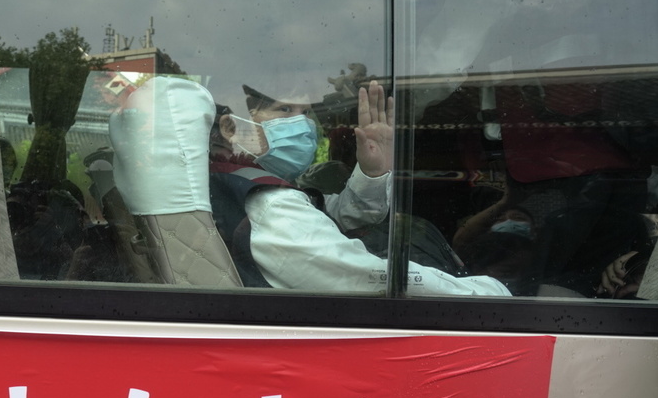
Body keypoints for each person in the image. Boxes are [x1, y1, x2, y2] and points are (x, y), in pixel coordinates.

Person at [205, 79, 509, 295]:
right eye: (284, 110)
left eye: (306, 113)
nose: (302, 125)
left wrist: (372, 173)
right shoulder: (272, 206)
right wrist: (486, 292)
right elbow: (371, 279)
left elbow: (334, 214)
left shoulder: (242, 181)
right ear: (233, 128)